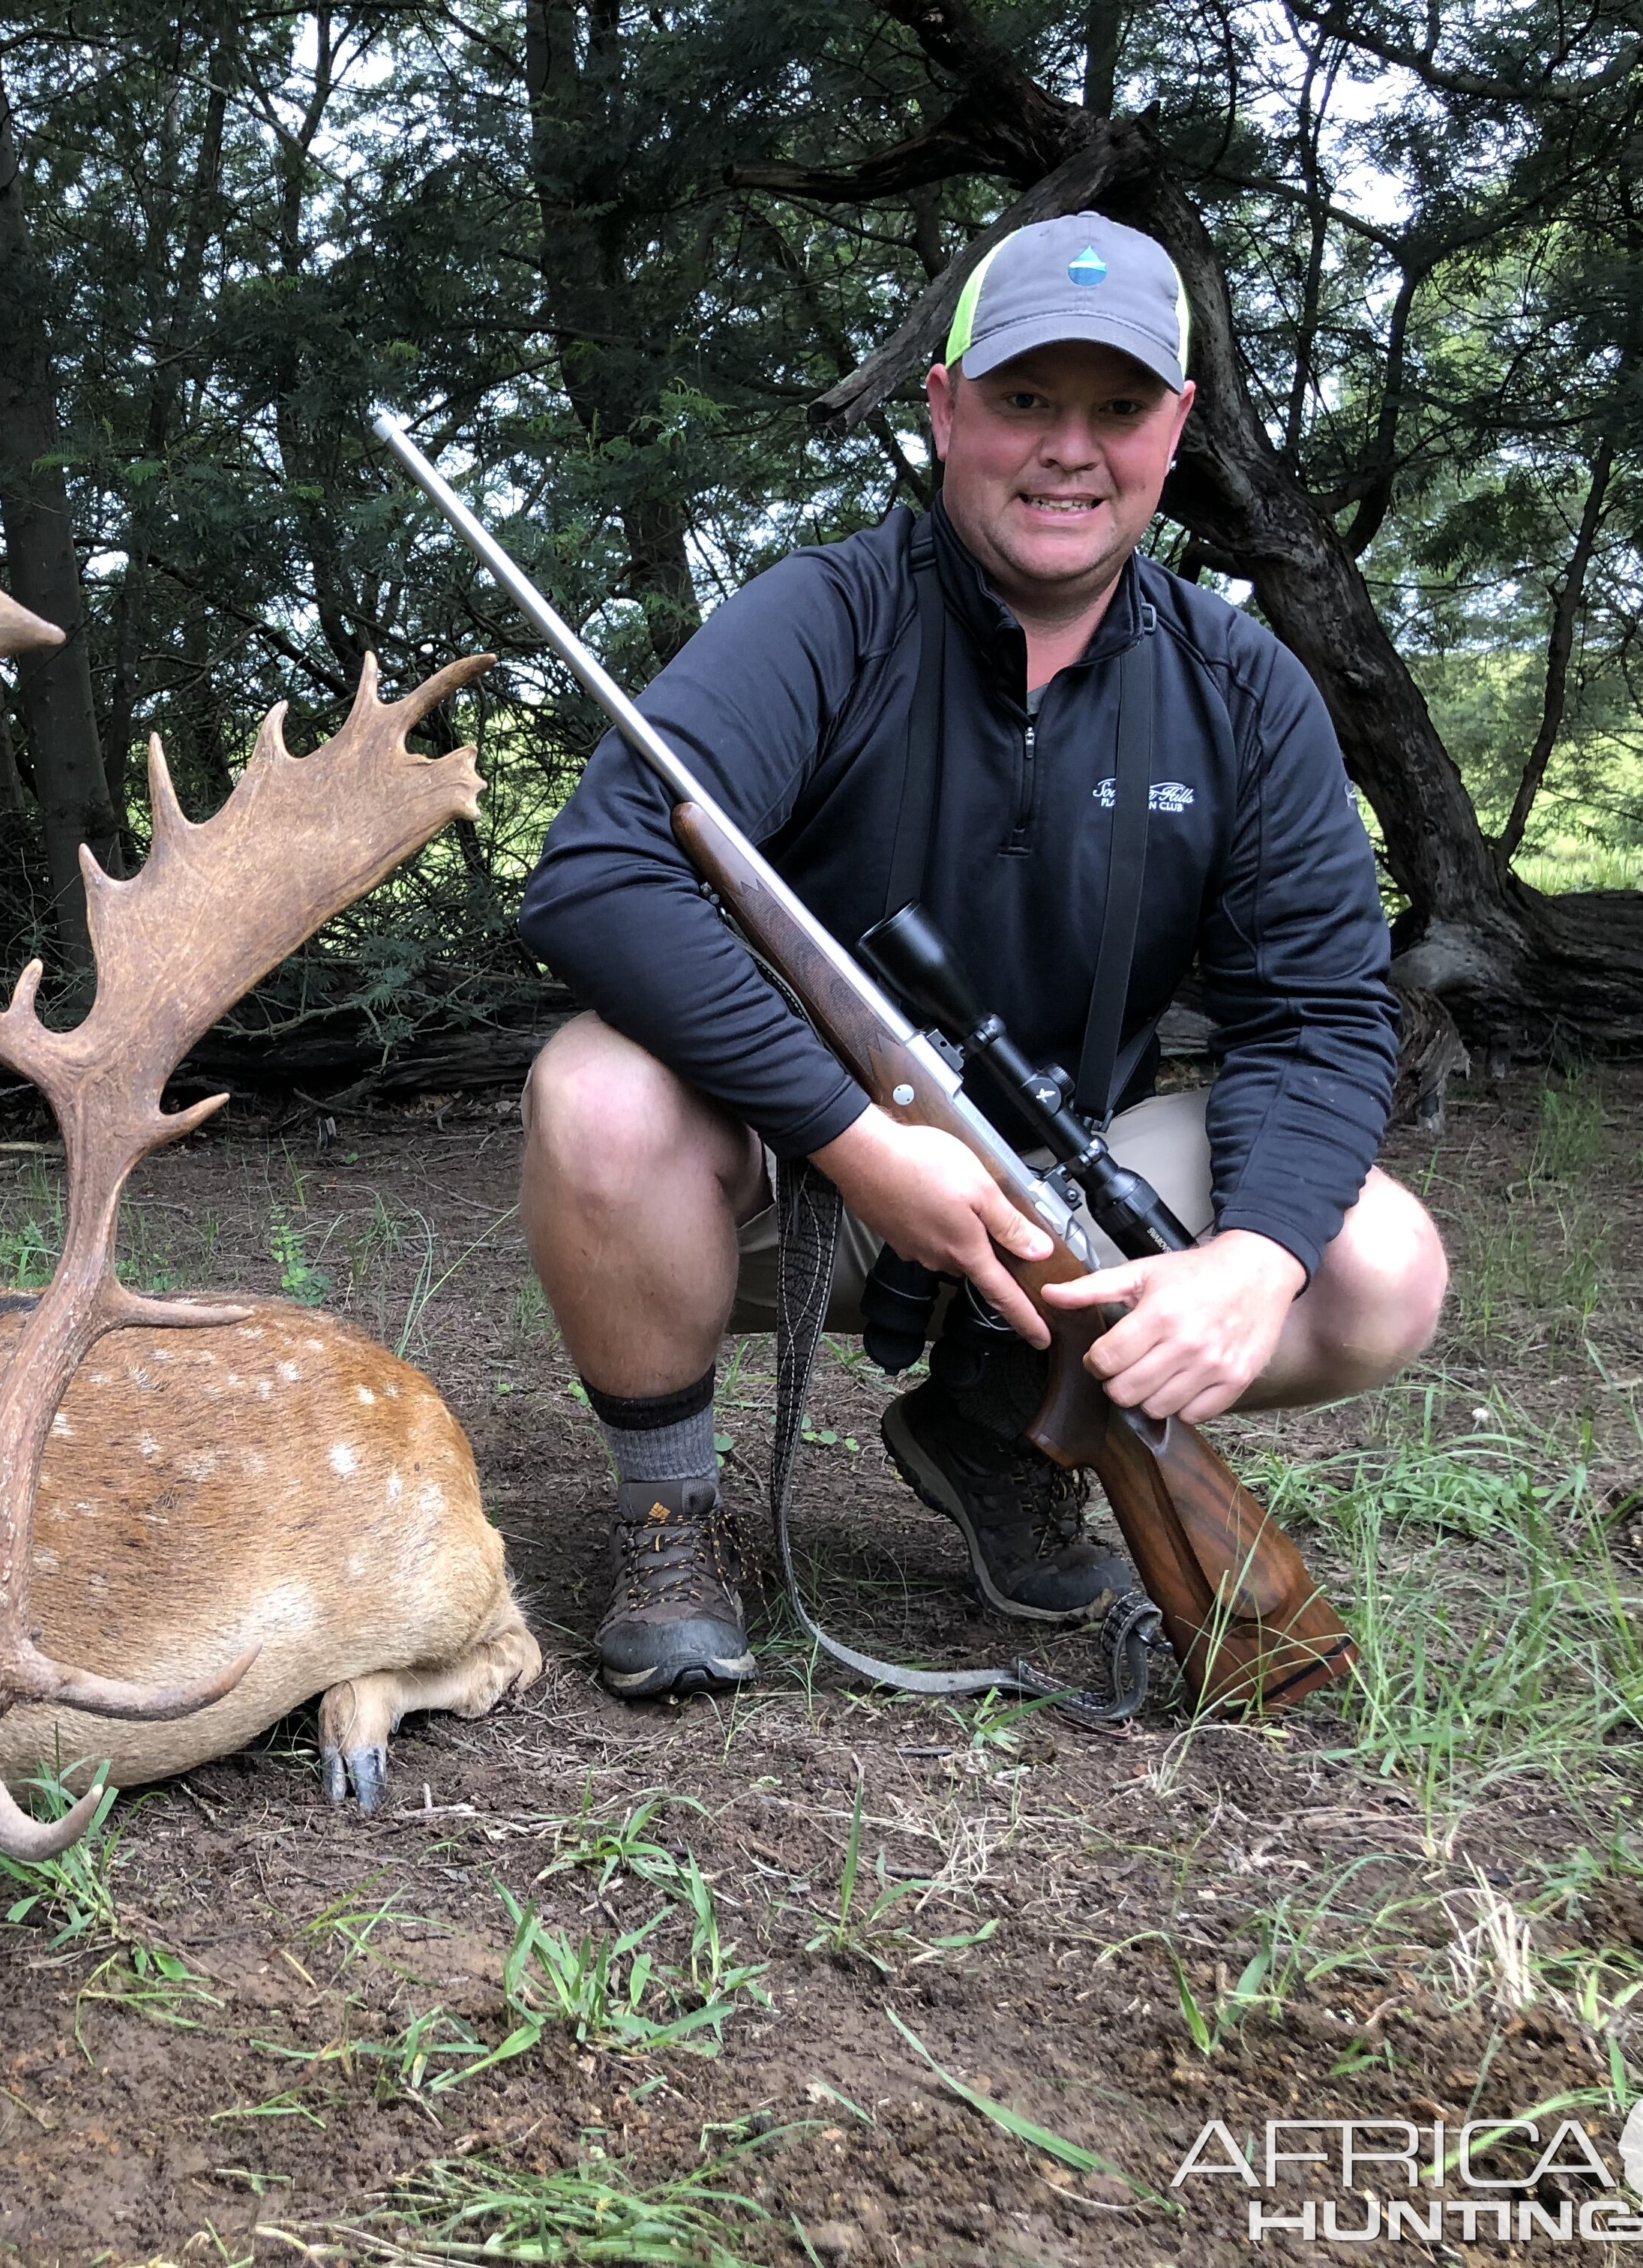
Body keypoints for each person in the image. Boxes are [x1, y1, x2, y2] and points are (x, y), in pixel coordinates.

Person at [518, 212, 1451, 1699]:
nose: (1068, 450)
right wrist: (854, 1138)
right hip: (801, 1171)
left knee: (1376, 1267)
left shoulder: (1244, 689)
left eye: (1117, 408)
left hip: (1069, 1206)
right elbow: (596, 879)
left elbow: (1325, 1018)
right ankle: (669, 1510)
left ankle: (1008, 1420)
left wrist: (1257, 1259)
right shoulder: (821, 619)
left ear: (1176, 431)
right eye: (1024, 400)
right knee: (597, 1093)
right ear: (946, 410)